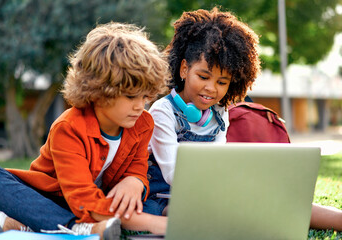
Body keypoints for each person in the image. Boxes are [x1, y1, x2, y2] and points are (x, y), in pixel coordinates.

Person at [143, 7, 342, 232]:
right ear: (184, 68)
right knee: (212, 215)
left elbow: (220, 162)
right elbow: (173, 174)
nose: (211, 89)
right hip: (165, 199)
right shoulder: (162, 112)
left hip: (210, 193)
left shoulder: (220, 112)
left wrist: (237, 190)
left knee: (284, 203)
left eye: (222, 82)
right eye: (203, 76)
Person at [0, 22, 169, 240]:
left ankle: (26, 225)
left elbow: (138, 167)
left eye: (145, 96)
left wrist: (136, 180)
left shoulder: (143, 123)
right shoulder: (68, 128)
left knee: (151, 208)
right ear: (98, 91)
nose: (140, 106)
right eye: (130, 97)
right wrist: (153, 224)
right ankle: (77, 228)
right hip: (50, 198)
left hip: (102, 199)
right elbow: (82, 198)